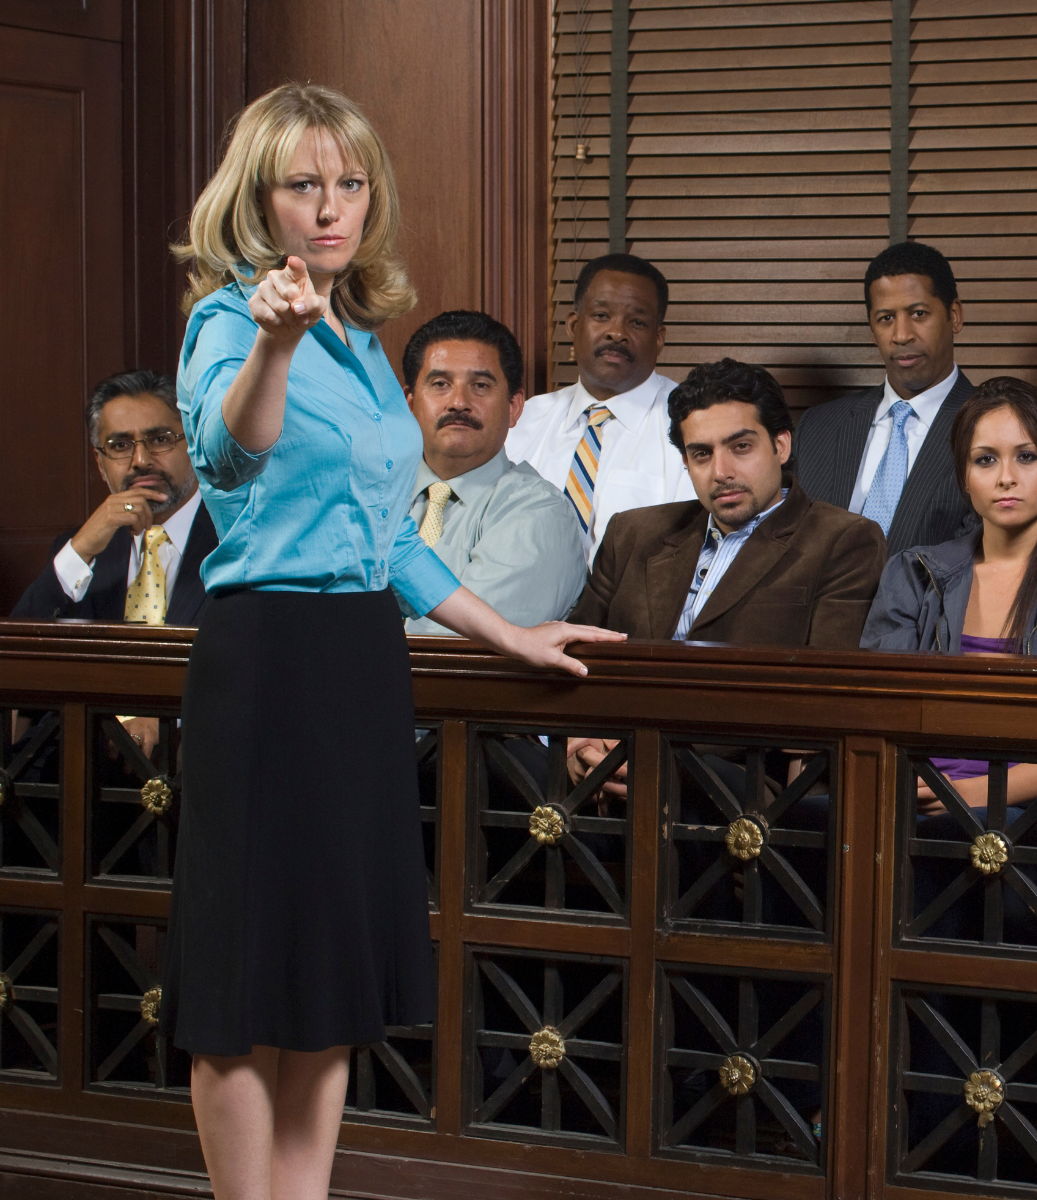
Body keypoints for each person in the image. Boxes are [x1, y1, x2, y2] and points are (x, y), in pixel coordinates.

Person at [160, 83, 622, 1200]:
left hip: (364, 658)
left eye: (351, 184)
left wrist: (505, 632)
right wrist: (274, 343)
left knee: (331, 972)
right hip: (265, 659)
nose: (333, 208)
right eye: (305, 185)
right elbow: (233, 460)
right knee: (240, 980)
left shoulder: (366, 340)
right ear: (258, 199)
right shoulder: (227, 321)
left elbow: (387, 538)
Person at [566, 357, 887, 795]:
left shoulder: (843, 540)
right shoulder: (633, 533)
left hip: (735, 783)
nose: (721, 472)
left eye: (740, 447)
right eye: (701, 454)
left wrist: (657, 763)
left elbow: (823, 701)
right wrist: (578, 744)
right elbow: (574, 660)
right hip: (609, 762)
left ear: (781, 446)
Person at [863, 376, 1037, 806]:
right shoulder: (912, 573)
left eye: (1026, 457)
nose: (1006, 478)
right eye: (985, 460)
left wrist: (969, 795)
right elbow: (879, 712)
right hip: (906, 792)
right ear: (964, 478)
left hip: (1023, 813)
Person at [400, 310, 586, 634]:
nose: (458, 402)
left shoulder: (540, 512)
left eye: (481, 385)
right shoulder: (374, 495)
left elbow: (457, 640)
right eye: (440, 384)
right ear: (410, 403)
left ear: (514, 407)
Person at [504, 252, 694, 562]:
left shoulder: (691, 426)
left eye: (636, 321)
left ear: (659, 338)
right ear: (573, 326)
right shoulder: (519, 421)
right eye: (601, 316)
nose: (616, 333)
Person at [793, 240, 976, 554]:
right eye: (886, 318)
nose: (901, 334)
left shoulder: (991, 429)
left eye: (918, 313)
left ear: (954, 316)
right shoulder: (817, 428)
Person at [12, 369, 219, 625]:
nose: (141, 461)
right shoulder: (81, 550)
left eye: (160, 439)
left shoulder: (238, 540)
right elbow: (21, 648)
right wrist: (80, 550)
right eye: (120, 445)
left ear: (193, 443)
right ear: (100, 464)